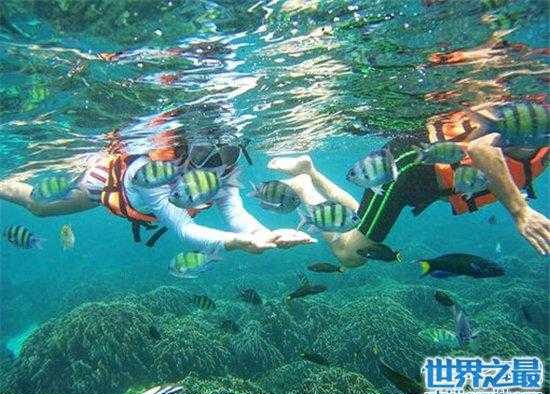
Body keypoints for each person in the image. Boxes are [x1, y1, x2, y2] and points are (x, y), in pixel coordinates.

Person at [268, 101, 549, 268]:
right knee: (350, 256)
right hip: (407, 166)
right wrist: (521, 212)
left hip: (428, 179)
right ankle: (304, 187)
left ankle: (308, 171)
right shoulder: (538, 123)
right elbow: (481, 148)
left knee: (355, 221)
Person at [0, 123, 315, 256]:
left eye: (229, 151)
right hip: (108, 183)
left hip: (145, 203)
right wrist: (237, 242)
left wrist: (263, 234)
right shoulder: (154, 173)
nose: (216, 162)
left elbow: (235, 211)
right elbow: (183, 228)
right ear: (187, 147)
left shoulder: (226, 170)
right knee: (38, 206)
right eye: (204, 152)